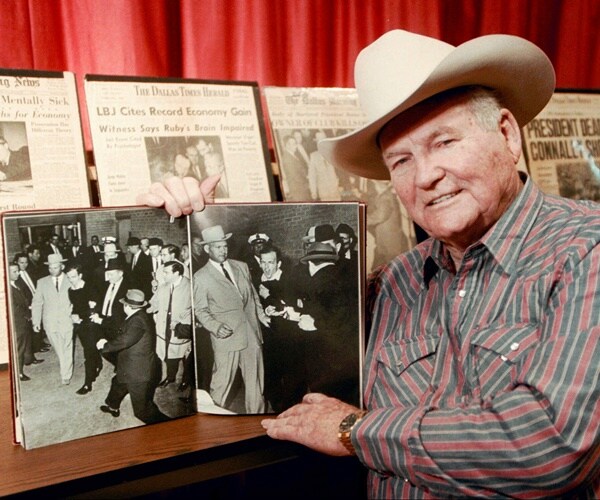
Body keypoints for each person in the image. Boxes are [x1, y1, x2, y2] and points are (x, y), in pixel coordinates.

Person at [138, 29, 600, 499]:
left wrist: (355, 432)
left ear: (506, 134)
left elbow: (551, 446)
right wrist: (187, 224)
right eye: (400, 161)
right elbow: (286, 359)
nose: (426, 176)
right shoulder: (393, 283)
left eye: (444, 142)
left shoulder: (586, 250)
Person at [192, 225, 270, 413]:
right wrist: (215, 326)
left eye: (224, 246)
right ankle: (212, 419)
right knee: (221, 384)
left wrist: (261, 315)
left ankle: (256, 420)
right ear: (207, 249)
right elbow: (200, 310)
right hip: (226, 337)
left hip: (251, 333)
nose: (223, 250)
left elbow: (252, 296)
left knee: (256, 385)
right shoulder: (200, 277)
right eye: (218, 247)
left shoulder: (241, 266)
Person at [96, 289, 169, 424]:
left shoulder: (137, 322)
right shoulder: (138, 315)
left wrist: (105, 345)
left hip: (138, 373)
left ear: (127, 306)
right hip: (129, 365)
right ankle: (113, 406)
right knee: (117, 384)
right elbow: (123, 331)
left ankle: (169, 427)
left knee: (143, 411)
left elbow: (125, 340)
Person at [148, 260, 192, 389]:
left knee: (186, 356)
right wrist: (145, 308)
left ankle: (186, 381)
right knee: (168, 353)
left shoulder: (190, 287)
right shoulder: (164, 286)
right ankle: (170, 377)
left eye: (166, 273)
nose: (163, 275)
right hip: (165, 326)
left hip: (182, 328)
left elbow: (194, 308)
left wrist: (181, 320)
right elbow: (154, 302)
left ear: (176, 273)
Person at [31, 254, 74, 385]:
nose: (52, 270)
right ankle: (64, 365)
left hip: (67, 319)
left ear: (62, 266)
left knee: (67, 346)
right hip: (50, 321)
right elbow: (37, 302)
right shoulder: (42, 282)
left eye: (55, 267)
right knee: (59, 348)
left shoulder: (70, 279)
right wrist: (36, 321)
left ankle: (65, 374)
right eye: (50, 268)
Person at [65, 262, 103, 395]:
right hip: (80, 324)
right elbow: (75, 307)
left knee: (88, 352)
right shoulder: (71, 290)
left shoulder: (90, 287)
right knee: (90, 348)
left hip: (92, 324)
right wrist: (72, 314)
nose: (71, 280)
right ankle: (98, 364)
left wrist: (79, 315)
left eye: (73, 277)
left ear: (80, 275)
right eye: (68, 277)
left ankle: (88, 383)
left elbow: (96, 308)